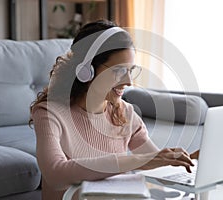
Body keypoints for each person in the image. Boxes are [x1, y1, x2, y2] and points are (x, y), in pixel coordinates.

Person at [30, 19, 198, 200]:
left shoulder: (125, 112)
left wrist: (183, 161)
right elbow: (56, 174)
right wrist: (143, 160)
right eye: (118, 71)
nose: (128, 82)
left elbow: (154, 160)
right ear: (87, 70)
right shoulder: (50, 114)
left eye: (130, 70)